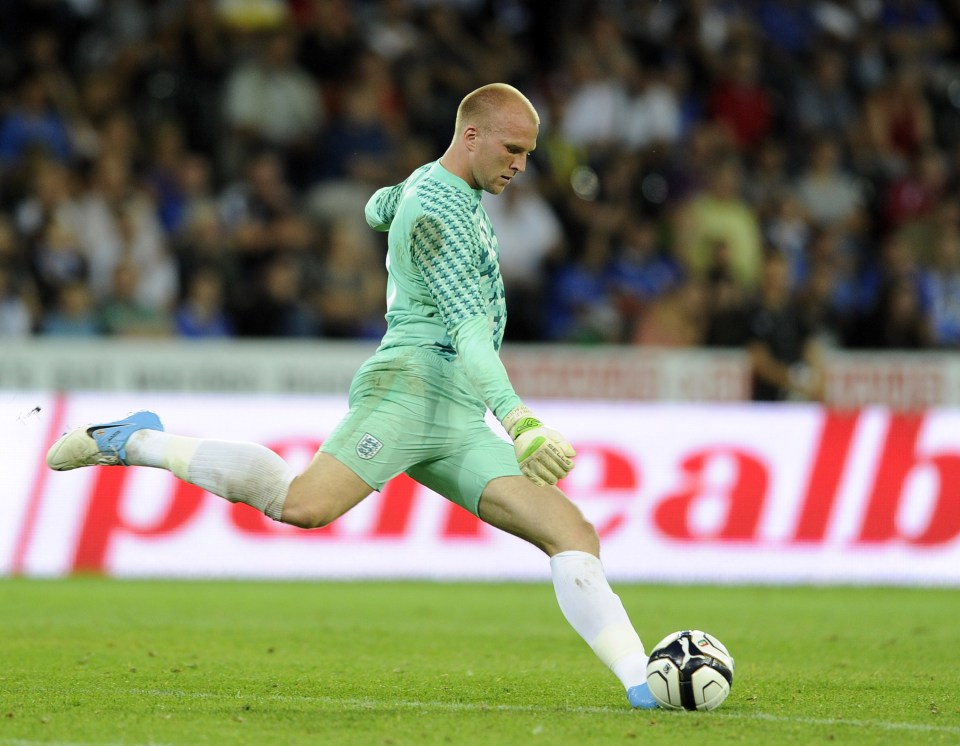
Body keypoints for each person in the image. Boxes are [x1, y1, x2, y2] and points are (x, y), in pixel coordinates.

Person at [45, 83, 658, 710]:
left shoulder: (436, 185)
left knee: (571, 531)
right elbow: (472, 336)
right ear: (471, 135)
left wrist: (388, 206)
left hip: (456, 414)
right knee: (302, 505)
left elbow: (376, 207)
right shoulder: (440, 214)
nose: (521, 166)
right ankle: (135, 439)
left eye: (528, 154)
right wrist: (520, 421)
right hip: (409, 390)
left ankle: (644, 685)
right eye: (513, 149)